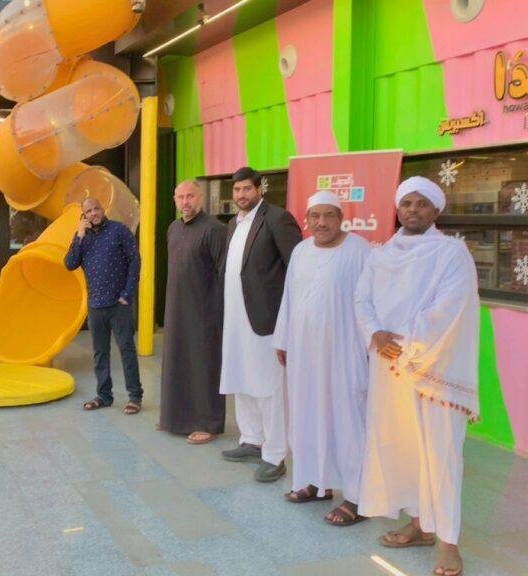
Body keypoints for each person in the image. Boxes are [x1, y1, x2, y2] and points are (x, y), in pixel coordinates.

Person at [355, 176, 479, 576]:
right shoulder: (380, 255)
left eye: (421, 204)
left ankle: (448, 543)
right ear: (397, 208)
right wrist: (375, 333)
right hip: (387, 366)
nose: (412, 210)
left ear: (436, 210)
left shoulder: (451, 253)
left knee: (440, 454)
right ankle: (421, 525)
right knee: (403, 449)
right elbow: (362, 298)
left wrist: (406, 343)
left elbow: (450, 307)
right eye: (406, 203)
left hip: (432, 368)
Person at [272, 190, 371, 525]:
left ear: (341, 218)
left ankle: (357, 497)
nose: (322, 222)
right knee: (307, 415)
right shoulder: (301, 251)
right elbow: (289, 297)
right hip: (304, 353)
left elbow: (372, 301)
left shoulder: (359, 251)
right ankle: (315, 482)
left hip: (345, 353)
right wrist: (283, 339)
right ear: (307, 220)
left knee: (347, 421)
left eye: (329, 215)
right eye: (315, 216)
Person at [219, 166, 302, 483]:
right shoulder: (233, 223)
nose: (241, 195)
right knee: (241, 379)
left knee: (269, 387)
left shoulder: (278, 219)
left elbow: (297, 267)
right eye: (237, 190)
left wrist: (290, 318)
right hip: (236, 319)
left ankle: (275, 455)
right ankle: (252, 440)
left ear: (259, 189)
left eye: (247, 189)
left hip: (266, 319)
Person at [159, 180, 227, 444]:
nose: (185, 202)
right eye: (180, 197)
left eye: (190, 196)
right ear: (175, 200)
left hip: (204, 312)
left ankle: (208, 423)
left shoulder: (214, 229)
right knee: (177, 361)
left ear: (200, 198)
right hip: (176, 309)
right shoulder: (173, 228)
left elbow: (223, 274)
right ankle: (174, 418)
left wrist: (218, 312)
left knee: (204, 366)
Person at [64, 197, 143, 415]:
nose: (93, 213)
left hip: (119, 304)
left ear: (103, 209)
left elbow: (135, 261)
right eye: (88, 211)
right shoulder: (83, 237)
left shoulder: (119, 230)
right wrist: (79, 235)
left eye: (96, 209)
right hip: (96, 305)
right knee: (100, 353)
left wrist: (127, 293)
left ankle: (135, 397)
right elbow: (69, 264)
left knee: (126, 350)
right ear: (84, 215)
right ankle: (104, 396)